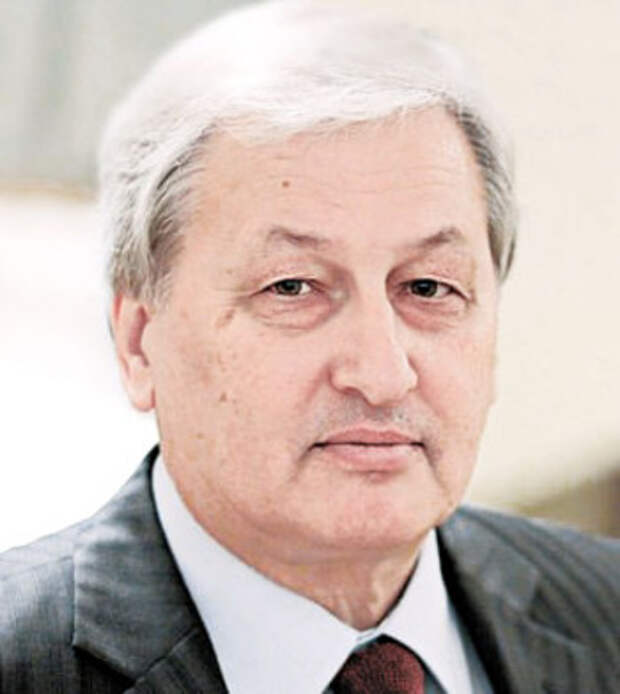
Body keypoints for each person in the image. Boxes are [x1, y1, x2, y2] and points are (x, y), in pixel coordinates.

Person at [1, 2, 618, 692]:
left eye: (428, 287)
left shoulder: (605, 613)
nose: (382, 374)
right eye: (292, 287)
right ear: (139, 342)